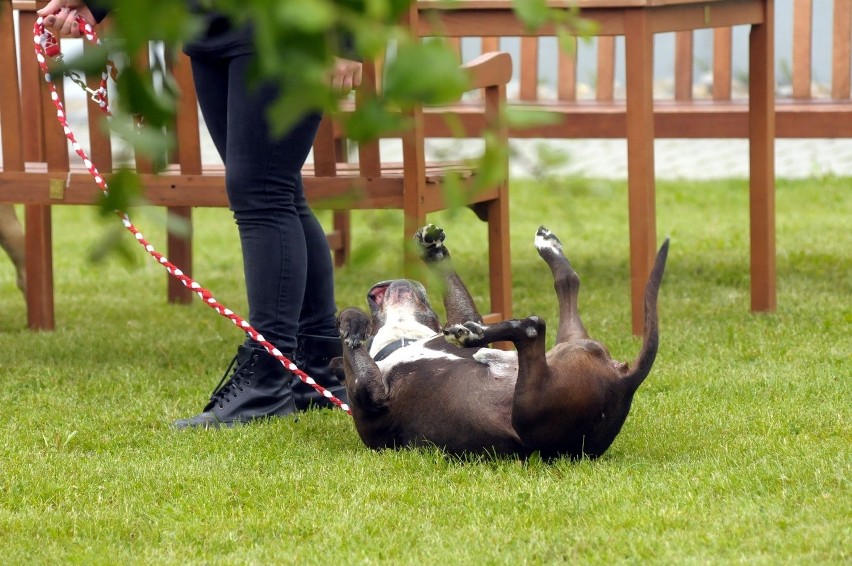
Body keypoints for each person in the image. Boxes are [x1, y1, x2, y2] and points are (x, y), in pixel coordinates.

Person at [39, 0, 361, 428]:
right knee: (275, 191)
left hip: (286, 30)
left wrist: (344, 38)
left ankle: (266, 381)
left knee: (263, 192)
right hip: (211, 29)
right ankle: (319, 368)